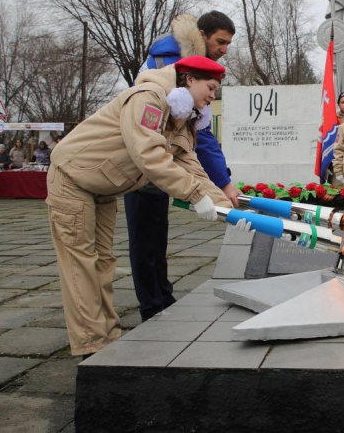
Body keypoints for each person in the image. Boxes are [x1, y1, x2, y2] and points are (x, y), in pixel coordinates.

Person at [47, 56, 231, 356]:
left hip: (101, 187)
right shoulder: (148, 99)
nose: (212, 95)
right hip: (72, 177)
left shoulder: (182, 118)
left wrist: (228, 211)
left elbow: (192, 168)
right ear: (188, 80)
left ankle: (107, 334)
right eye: (210, 87)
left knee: (103, 262)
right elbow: (148, 154)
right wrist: (195, 196)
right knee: (80, 261)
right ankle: (92, 343)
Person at [125, 11, 239, 322]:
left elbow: (195, 140)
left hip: (166, 163)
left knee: (157, 239)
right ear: (201, 36)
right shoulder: (170, 64)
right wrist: (214, 191)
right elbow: (194, 140)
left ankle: (162, 297)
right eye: (220, 42)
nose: (225, 48)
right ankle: (151, 307)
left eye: (229, 43)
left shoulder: (197, 72)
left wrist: (220, 187)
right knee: (144, 242)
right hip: (140, 165)